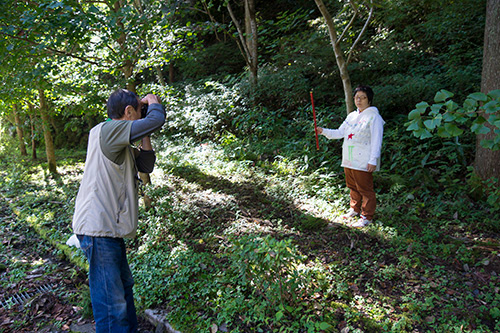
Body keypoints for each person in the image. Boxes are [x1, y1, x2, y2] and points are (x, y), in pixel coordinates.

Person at [72, 89, 165, 331]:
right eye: (139, 110)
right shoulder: (110, 130)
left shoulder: (117, 142)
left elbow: (146, 164)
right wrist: (153, 104)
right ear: (128, 111)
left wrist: (144, 129)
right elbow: (156, 120)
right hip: (99, 229)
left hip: (106, 230)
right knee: (112, 307)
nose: (142, 115)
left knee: (123, 292)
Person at [317, 85, 384, 227]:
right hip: (349, 157)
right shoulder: (352, 116)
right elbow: (340, 133)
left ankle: (367, 217)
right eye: (356, 97)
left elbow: (377, 140)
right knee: (352, 186)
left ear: (369, 99)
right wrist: (322, 131)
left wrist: (373, 160)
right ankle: (354, 209)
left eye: (363, 97)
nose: (359, 100)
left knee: (365, 189)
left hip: (364, 158)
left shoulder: (374, 117)